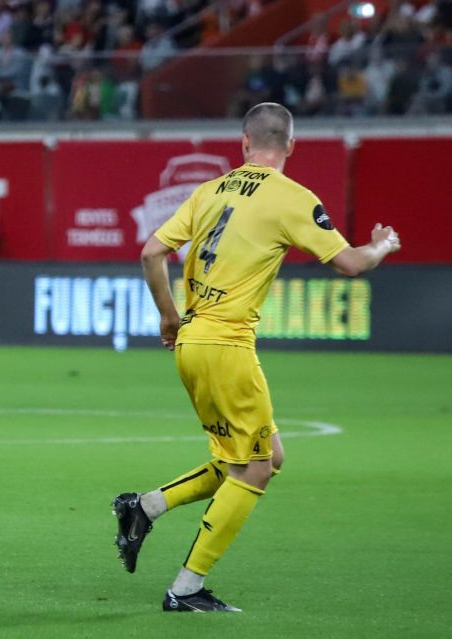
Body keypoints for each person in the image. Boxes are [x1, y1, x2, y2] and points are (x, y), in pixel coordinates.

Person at [117, 102, 401, 612]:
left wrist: (167, 317)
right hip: (227, 347)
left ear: (244, 143)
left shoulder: (208, 191)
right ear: (291, 145)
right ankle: (186, 589)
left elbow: (150, 253)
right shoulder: (292, 198)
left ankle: (145, 507)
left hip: (192, 341)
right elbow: (351, 264)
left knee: (267, 457)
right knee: (254, 471)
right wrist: (381, 245)